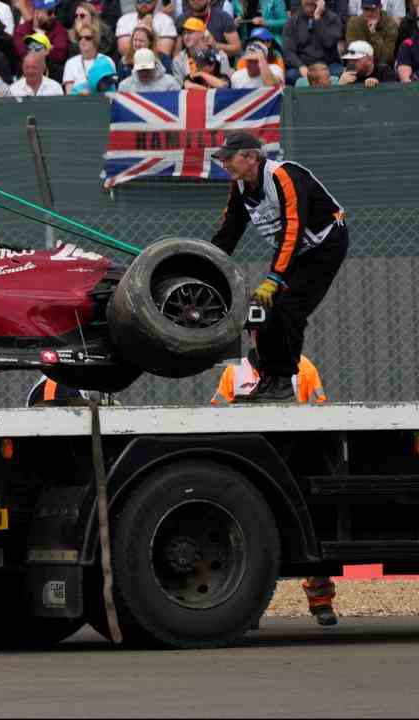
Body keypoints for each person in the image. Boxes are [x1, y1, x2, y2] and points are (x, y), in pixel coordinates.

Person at [209, 132, 348, 403]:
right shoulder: (239, 186)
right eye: (222, 159)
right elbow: (228, 233)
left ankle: (283, 382)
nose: (225, 164)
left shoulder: (283, 175)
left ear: (251, 157)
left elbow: (293, 229)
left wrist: (274, 277)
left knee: (290, 308)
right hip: (297, 250)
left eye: (229, 158)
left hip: (325, 244)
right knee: (262, 312)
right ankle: (271, 382)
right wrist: (206, 264)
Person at [209, 341, 336, 626]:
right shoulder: (235, 371)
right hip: (252, 462)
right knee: (256, 539)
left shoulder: (303, 368)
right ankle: (249, 610)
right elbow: (216, 412)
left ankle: (321, 602)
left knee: (312, 528)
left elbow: (321, 411)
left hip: (293, 460)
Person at [282, 0, 345, 84]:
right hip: (304, 65)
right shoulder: (292, 22)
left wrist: (317, 17)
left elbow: (328, 42)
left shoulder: (333, 18)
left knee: (339, 72)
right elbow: (289, 51)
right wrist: (300, 66)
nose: (310, 1)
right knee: (290, 76)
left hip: (328, 64)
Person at [13, 0, 70, 75]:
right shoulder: (21, 31)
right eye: (49, 12)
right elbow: (23, 54)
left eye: (55, 12)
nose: (53, 16)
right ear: (37, 13)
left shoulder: (59, 30)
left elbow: (59, 55)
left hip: (52, 75)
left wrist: (31, 44)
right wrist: (48, 48)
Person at [174, 16, 234, 82]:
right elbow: (180, 89)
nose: (186, 37)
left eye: (190, 32)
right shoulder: (178, 60)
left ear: (202, 33)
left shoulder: (220, 55)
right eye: (184, 33)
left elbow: (226, 83)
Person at [177, 0, 243, 56]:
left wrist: (216, 45)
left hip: (218, 66)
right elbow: (177, 54)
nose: (195, 1)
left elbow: (237, 48)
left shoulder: (223, 18)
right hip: (189, 66)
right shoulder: (182, 19)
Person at [345, 0, 399, 65]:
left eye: (372, 10)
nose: (368, 13)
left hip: (379, 65)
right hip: (358, 64)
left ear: (380, 8)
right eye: (366, 9)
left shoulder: (390, 26)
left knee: (383, 66)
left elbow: (386, 58)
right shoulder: (354, 23)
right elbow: (352, 52)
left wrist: (373, 33)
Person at [63, 23, 108, 91]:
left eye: (88, 38)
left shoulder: (107, 61)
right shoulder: (70, 63)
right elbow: (69, 95)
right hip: (77, 101)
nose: (82, 40)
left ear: (96, 39)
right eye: (80, 38)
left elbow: (110, 92)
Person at [118, 47, 184, 89]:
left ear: (155, 66)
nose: (144, 73)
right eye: (141, 70)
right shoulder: (125, 86)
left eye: (147, 70)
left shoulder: (170, 83)